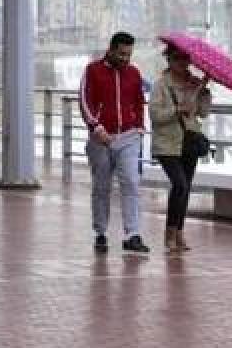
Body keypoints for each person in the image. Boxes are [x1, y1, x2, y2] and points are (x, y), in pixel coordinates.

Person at [79, 32, 150, 255]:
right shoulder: (92, 70)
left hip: (128, 136)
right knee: (102, 187)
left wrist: (139, 125)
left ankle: (133, 234)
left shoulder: (134, 73)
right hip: (101, 138)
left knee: (131, 182)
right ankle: (100, 232)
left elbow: (139, 102)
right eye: (121, 54)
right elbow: (84, 99)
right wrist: (95, 126)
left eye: (129, 54)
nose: (125, 58)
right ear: (110, 49)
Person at [149, 45, 212, 254]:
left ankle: (179, 233)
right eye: (177, 59)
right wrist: (177, 110)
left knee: (186, 188)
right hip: (167, 144)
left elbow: (203, 114)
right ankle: (169, 233)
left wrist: (203, 94)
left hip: (189, 142)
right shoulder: (160, 85)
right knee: (180, 184)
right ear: (169, 60)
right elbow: (155, 116)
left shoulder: (194, 83)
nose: (183, 63)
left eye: (186, 59)